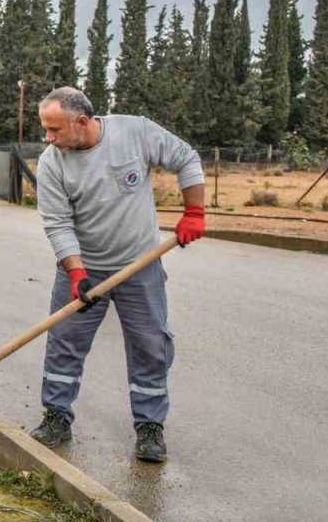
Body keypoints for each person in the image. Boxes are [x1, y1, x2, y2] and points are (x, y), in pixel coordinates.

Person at [30, 87, 205, 463]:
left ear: (81, 122)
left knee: (150, 346)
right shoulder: (52, 163)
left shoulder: (135, 133)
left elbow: (186, 158)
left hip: (140, 266)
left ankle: (150, 428)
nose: (49, 138)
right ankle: (56, 416)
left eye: (55, 129)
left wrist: (195, 212)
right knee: (65, 343)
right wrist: (76, 274)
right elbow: (58, 225)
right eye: (46, 129)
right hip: (83, 268)